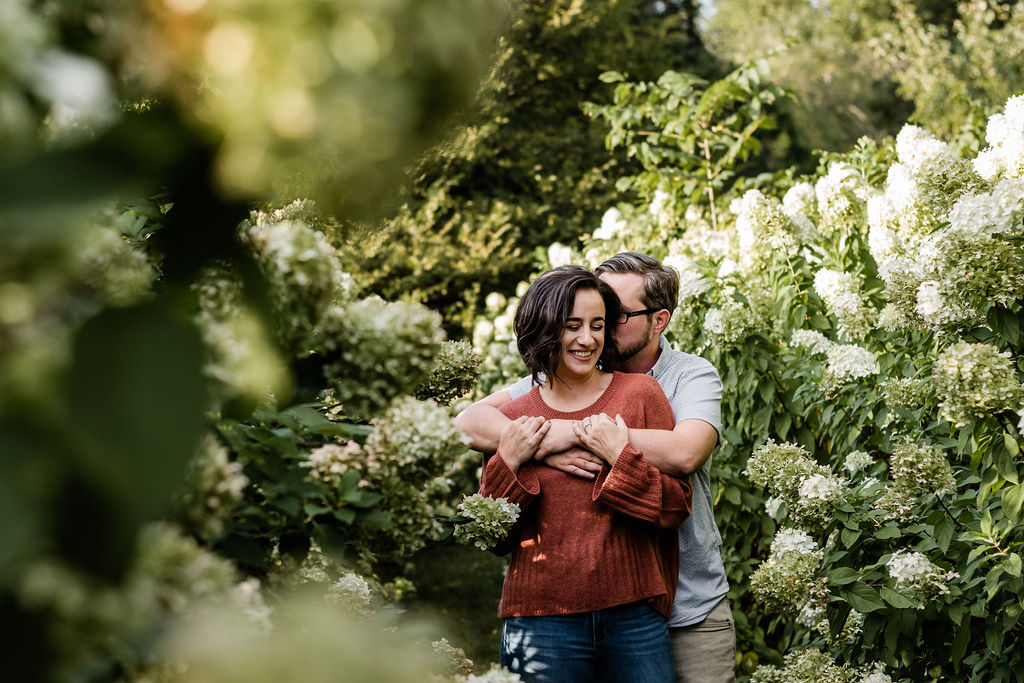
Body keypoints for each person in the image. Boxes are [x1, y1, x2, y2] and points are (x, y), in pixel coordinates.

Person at [456, 252, 733, 683]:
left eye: (606, 319)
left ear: (658, 320)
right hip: (542, 616)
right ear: (547, 329)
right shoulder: (527, 405)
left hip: (670, 602)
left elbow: (683, 460)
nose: (589, 336)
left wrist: (606, 444)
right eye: (574, 324)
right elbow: (473, 439)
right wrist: (543, 445)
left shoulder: (667, 383)